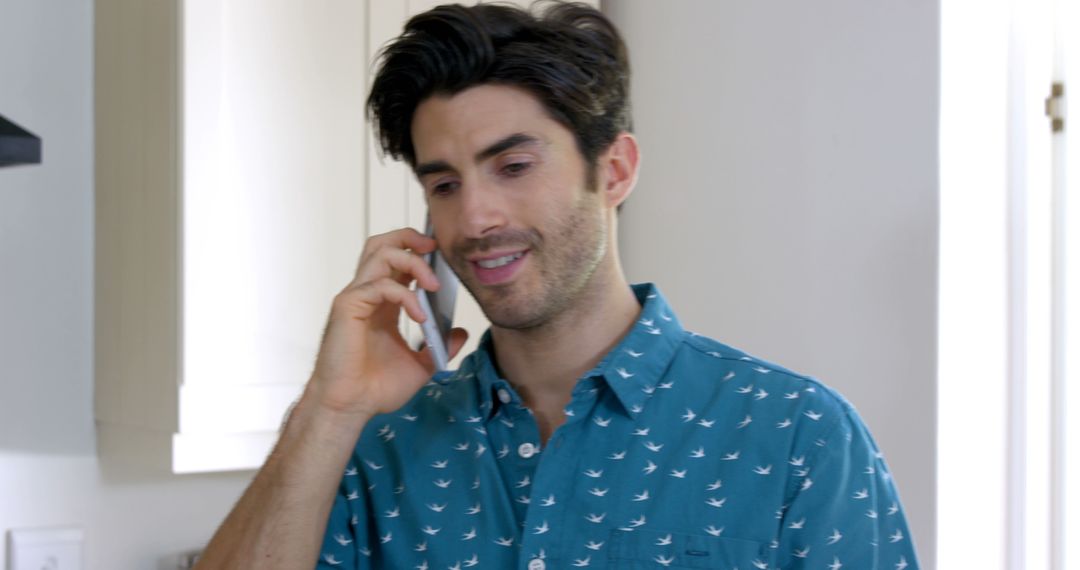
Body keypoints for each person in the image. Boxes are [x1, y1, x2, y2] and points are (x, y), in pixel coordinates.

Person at [195, 2, 920, 569]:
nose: (474, 218)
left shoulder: (795, 436)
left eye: (513, 167)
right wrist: (329, 409)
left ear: (615, 170)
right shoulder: (380, 443)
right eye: (444, 183)